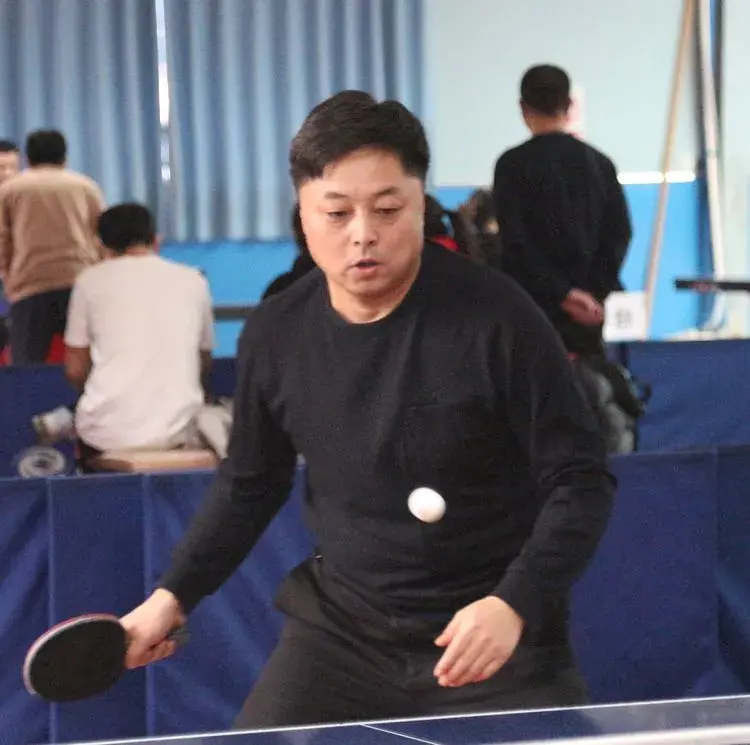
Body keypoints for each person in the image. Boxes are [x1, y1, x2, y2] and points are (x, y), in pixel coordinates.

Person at [120, 91, 615, 729]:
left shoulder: (500, 319)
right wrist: (171, 596)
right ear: (303, 214)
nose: (362, 233)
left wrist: (514, 603)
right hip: (342, 637)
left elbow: (580, 479)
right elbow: (250, 483)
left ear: (421, 205)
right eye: (336, 212)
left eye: (387, 209)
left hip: (487, 634)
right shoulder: (277, 331)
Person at [493, 65, 632, 359]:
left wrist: (561, 294)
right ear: (569, 105)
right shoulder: (600, 164)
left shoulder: (510, 166)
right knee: (589, 382)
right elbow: (619, 234)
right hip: (588, 313)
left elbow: (515, 243)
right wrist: (591, 294)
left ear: (522, 108)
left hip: (533, 308)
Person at [64, 203, 214, 469]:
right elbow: (203, 359)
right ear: (155, 239)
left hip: (104, 433)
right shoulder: (194, 280)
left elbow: (75, 369)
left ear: (102, 245)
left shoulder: (89, 281)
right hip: (179, 430)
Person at [0, 130, 105, 364]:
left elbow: (2, 241)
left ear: (28, 159)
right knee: (89, 362)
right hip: (80, 282)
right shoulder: (87, 187)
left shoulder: (9, 191)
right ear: (64, 157)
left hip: (29, 287)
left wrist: (9, 280)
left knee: (27, 367)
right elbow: (102, 236)